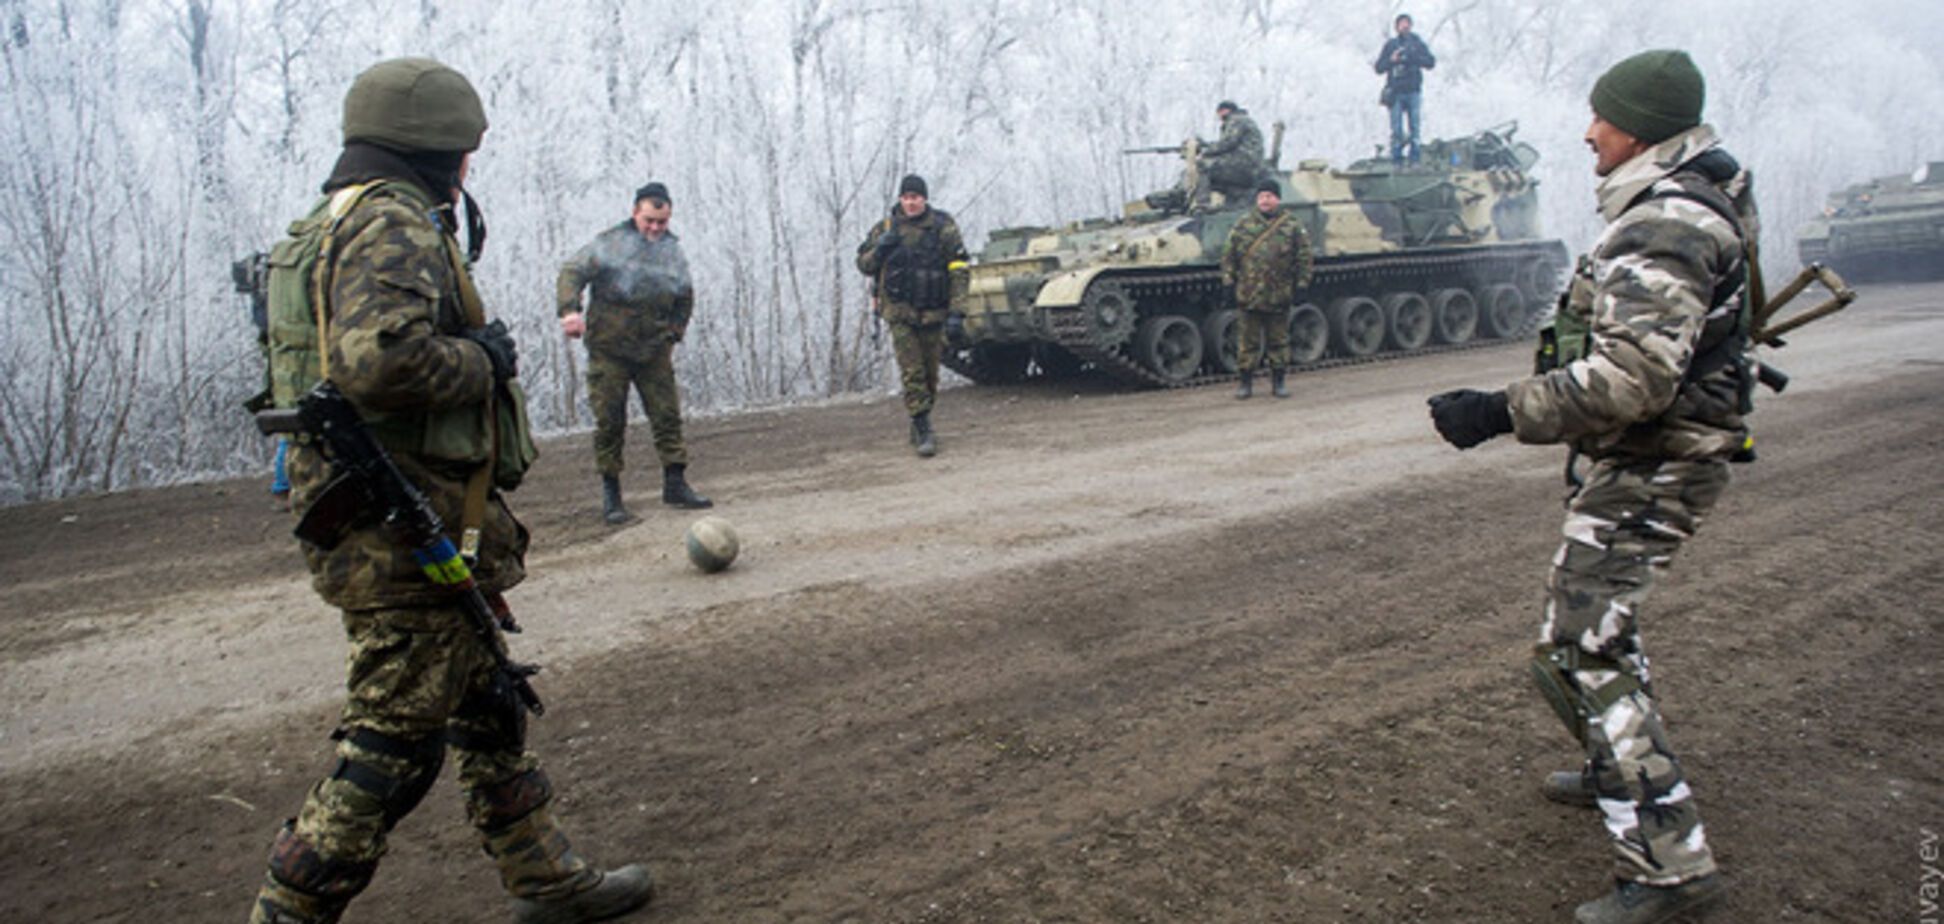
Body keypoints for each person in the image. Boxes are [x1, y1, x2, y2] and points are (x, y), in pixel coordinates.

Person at [249, 58, 652, 924]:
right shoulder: (391, 224)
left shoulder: (329, 221)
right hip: (398, 521)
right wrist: (485, 360)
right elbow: (377, 360)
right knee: (394, 739)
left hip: (389, 510)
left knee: (486, 703)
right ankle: (287, 910)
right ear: (441, 148)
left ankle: (546, 880)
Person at [1426, 49, 1747, 924]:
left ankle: (1672, 871)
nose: (1587, 132)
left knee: (1579, 650)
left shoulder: (1667, 222)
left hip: (1658, 459)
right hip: (1653, 453)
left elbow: (1633, 379)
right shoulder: (1688, 199)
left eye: (1601, 118)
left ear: (1638, 126)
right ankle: (1621, 771)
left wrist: (1497, 411)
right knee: (1601, 632)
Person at [557, 182, 713, 524]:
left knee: (667, 415)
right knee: (610, 419)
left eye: (662, 221)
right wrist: (570, 310)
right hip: (609, 349)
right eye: (649, 220)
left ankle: (675, 483)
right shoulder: (611, 244)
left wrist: (674, 332)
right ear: (635, 213)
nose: (655, 228)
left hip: (653, 349)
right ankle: (612, 494)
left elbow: (685, 292)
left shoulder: (672, 250)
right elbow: (572, 271)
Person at [855, 174, 967, 458]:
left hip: (933, 310)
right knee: (912, 371)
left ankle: (920, 421)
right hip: (899, 311)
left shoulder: (943, 226)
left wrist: (958, 311)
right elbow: (864, 264)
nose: (910, 202)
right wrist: (881, 249)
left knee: (930, 375)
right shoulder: (886, 228)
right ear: (900, 199)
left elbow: (958, 269)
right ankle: (923, 426)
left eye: (915, 197)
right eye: (906, 197)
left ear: (924, 198)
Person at [1219, 178, 1313, 399]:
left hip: (1278, 294)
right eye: (1262, 196)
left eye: (1269, 196)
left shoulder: (1291, 226)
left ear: (1277, 199)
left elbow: (1304, 257)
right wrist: (1227, 281)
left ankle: (1278, 383)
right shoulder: (1243, 224)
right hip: (1249, 294)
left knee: (1278, 342)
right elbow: (1228, 255)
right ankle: (1245, 384)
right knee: (1247, 343)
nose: (1265, 200)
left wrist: (1302, 284)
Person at [1374, 14, 1436, 165]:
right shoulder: (1391, 45)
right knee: (1397, 129)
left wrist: (1413, 58)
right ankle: (1397, 158)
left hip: (1413, 90)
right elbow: (1379, 67)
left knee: (1414, 126)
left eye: (1407, 23)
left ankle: (1415, 157)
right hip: (1395, 92)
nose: (1404, 26)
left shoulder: (1417, 44)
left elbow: (1431, 62)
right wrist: (1392, 60)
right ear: (1397, 27)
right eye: (1401, 24)